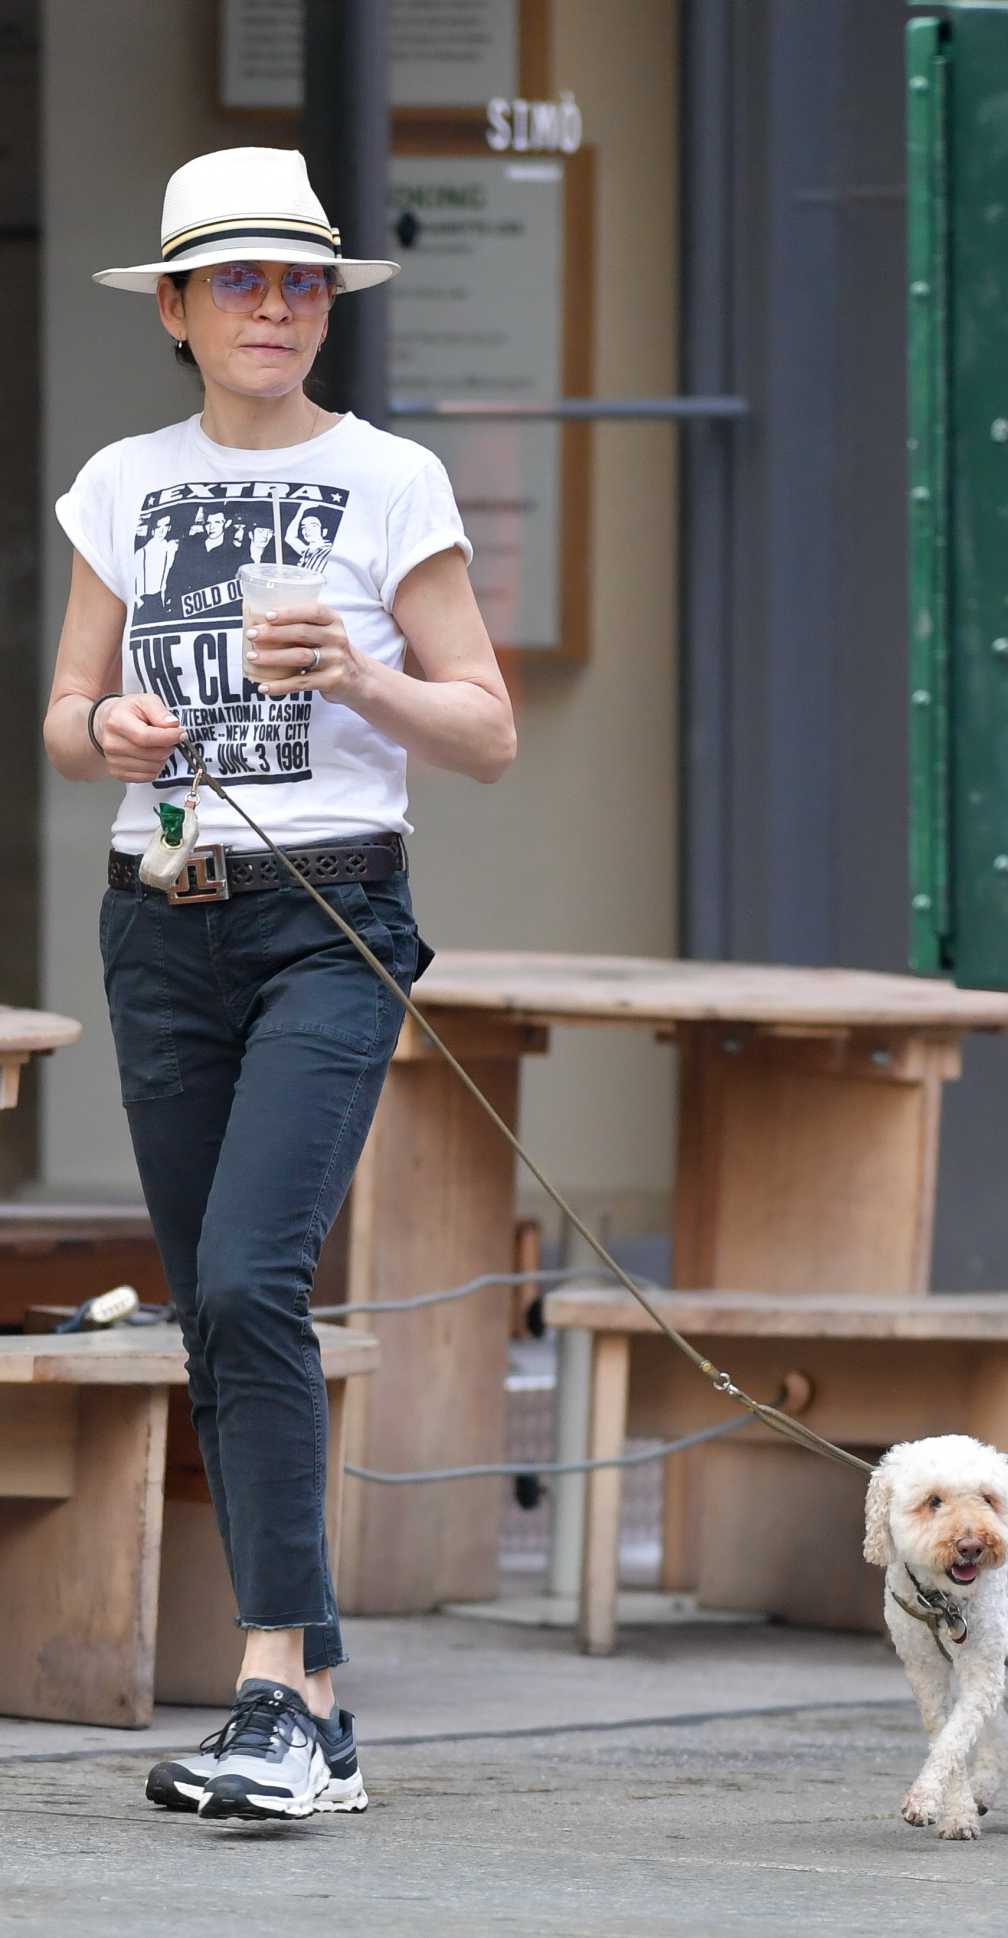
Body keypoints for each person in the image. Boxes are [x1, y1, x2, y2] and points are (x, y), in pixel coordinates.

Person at [42, 147, 516, 1824]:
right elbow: (64, 712)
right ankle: (312, 1711)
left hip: (330, 913)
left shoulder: (390, 478)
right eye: (237, 280)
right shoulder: (120, 480)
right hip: (157, 910)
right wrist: (107, 730)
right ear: (172, 308)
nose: (272, 306)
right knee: (216, 1306)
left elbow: (489, 728)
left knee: (248, 1276)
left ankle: (268, 1697)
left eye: (301, 280)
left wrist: (368, 678)